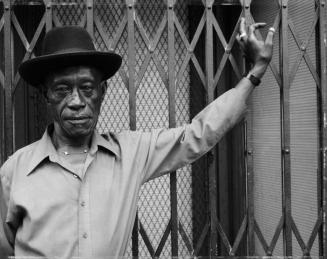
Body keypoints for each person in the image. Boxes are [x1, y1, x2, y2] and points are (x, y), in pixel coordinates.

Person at [0, 18, 274, 258]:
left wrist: (255, 71)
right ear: (45, 94)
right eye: (62, 89)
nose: (76, 102)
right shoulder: (15, 171)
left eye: (86, 88)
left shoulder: (129, 153)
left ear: (102, 92)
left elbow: (196, 134)